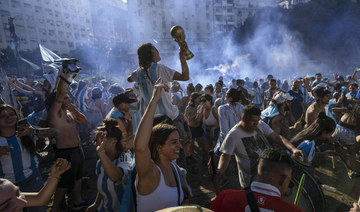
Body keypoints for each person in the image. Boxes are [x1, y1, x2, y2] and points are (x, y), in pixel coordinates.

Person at [127, 42, 193, 163]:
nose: (158, 52)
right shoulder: (160, 69)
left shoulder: (138, 73)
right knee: (180, 142)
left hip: (150, 120)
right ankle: (183, 163)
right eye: (156, 50)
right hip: (168, 117)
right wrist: (182, 57)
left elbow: (129, 78)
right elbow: (185, 77)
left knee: (157, 149)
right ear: (152, 53)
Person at [216, 105, 303, 190]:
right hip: (251, 179)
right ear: (243, 119)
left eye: (257, 120)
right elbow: (225, 156)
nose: (256, 123)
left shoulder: (259, 124)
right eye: (253, 121)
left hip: (269, 171)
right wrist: (219, 172)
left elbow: (276, 137)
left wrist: (293, 149)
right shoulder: (233, 135)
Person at [134, 79, 188, 212]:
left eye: (179, 141)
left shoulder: (174, 167)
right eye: (174, 142)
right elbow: (140, 147)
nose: (180, 146)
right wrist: (154, 100)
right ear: (159, 147)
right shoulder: (150, 173)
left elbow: (183, 198)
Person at [0, 104, 57, 212]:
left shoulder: (25, 131)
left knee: (38, 209)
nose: (9, 118)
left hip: (32, 179)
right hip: (6, 187)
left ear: (17, 116)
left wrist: (34, 131)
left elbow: (54, 132)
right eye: (3, 116)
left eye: (12, 114)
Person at [211, 148, 304, 212]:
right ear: (283, 180)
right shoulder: (294, 210)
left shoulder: (225, 197)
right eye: (289, 182)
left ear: (257, 171)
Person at [46, 75, 88, 211]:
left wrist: (74, 109)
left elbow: (84, 120)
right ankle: (55, 207)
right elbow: (60, 93)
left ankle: (77, 202)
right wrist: (64, 76)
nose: (67, 98)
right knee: (63, 183)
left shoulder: (69, 112)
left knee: (78, 178)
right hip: (65, 152)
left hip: (77, 150)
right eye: (65, 98)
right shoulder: (54, 115)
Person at [86, 119, 134, 212]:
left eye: (100, 140)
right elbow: (104, 184)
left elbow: (116, 177)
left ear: (114, 142)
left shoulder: (125, 158)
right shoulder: (101, 162)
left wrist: (101, 153)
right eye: (95, 140)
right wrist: (96, 204)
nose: (96, 144)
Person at [0, 158, 70, 212]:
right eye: (6, 205)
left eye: (18, 193)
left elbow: (40, 199)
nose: (24, 202)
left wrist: (54, 176)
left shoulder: (7, 196)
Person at [185, 92, 207, 164]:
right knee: (191, 145)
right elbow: (186, 118)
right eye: (198, 98)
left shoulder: (200, 106)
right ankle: (191, 158)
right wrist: (195, 115)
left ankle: (205, 159)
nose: (199, 99)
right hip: (191, 128)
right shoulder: (189, 107)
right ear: (194, 99)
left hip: (198, 127)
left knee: (203, 144)